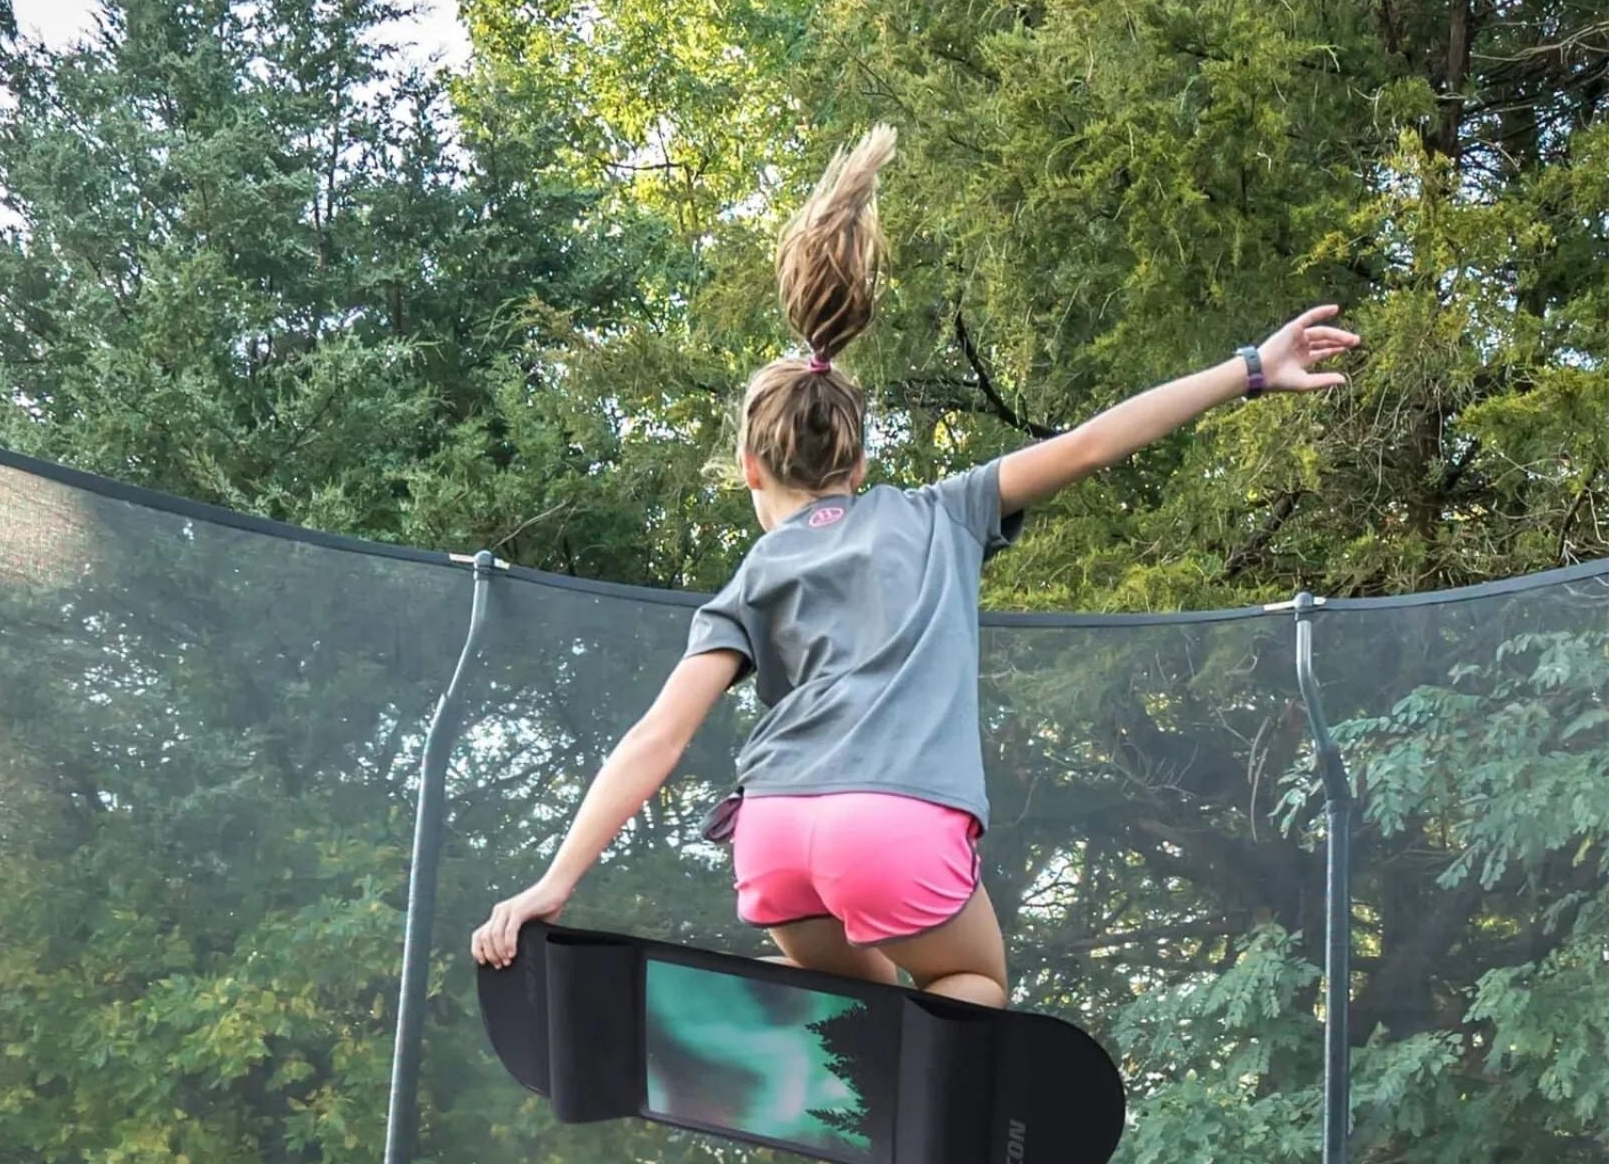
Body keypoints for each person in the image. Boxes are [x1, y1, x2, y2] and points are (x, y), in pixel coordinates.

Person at [471, 126, 1357, 1002]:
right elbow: (1088, 445)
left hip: (772, 838)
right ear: (856, 470)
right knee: (971, 979)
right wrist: (1248, 368)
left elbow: (656, 739)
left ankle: (774, 1003)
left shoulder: (749, 582)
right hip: (891, 834)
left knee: (869, 1003)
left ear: (749, 466)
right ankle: (922, 1100)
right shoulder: (943, 513)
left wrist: (555, 882)